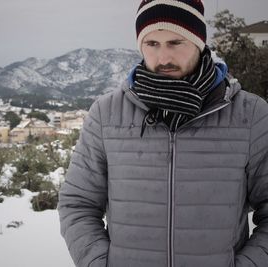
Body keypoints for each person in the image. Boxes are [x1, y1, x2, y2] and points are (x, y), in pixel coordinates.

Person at [57, 0, 268, 266]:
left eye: (175, 43)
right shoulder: (106, 114)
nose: (164, 58)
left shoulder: (250, 114)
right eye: (152, 44)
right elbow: (78, 203)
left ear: (199, 42)